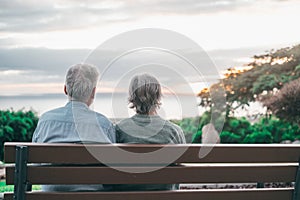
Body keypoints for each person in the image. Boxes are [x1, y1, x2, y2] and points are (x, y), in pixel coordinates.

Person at [32, 63, 116, 191]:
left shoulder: (45, 121)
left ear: (65, 89)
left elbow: (35, 163)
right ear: (93, 93)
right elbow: (112, 167)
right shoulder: (104, 125)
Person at [114, 73, 186, 191]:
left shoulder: (119, 129)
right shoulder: (174, 131)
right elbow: (180, 171)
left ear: (133, 97)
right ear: (158, 97)